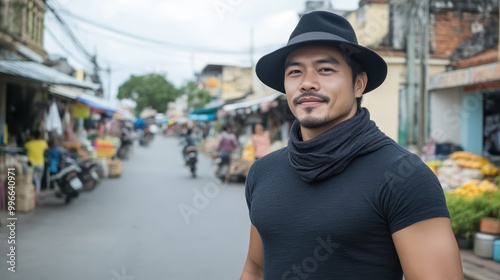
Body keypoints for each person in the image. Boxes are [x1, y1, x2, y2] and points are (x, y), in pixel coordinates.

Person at [240, 11, 462, 280]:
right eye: (295, 72)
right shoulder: (263, 172)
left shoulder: (404, 176)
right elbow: (255, 269)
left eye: (325, 69)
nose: (307, 83)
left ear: (358, 84)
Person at [24, 130, 48, 197]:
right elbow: (46, 150)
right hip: (40, 164)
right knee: (38, 180)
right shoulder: (43, 143)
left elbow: (24, 151)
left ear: (32, 136)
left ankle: (30, 195)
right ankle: (37, 195)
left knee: (30, 180)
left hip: (31, 164)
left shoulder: (28, 144)